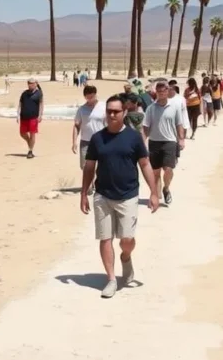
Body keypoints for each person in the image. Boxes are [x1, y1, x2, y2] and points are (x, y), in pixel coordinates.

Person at [79, 95, 160, 298]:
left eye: (116, 111)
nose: (112, 114)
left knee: (126, 239)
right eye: (109, 111)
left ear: (124, 113)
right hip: (102, 195)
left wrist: (153, 192)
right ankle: (111, 279)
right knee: (105, 238)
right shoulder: (98, 138)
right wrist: (83, 193)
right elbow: (89, 167)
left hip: (128, 195)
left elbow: (144, 164)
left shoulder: (133, 137)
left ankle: (126, 257)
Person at [142, 79, 186, 206]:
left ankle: (166, 188)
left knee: (168, 169)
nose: (161, 93)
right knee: (155, 172)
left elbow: (179, 124)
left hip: (170, 141)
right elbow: (145, 127)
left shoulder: (175, 107)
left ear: (167, 91)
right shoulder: (151, 108)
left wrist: (181, 139)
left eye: (164, 91)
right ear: (156, 92)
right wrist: (142, 141)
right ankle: (156, 194)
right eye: (159, 91)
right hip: (154, 142)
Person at [72, 85, 106, 181]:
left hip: (101, 140)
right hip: (85, 141)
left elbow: (108, 124)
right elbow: (76, 126)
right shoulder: (81, 109)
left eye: (91, 96)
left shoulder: (103, 107)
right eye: (87, 97)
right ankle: (90, 184)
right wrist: (74, 141)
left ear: (95, 95)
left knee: (101, 164)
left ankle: (96, 183)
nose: (90, 99)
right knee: (84, 165)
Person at [17, 77, 44, 159]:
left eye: (32, 83)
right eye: (29, 83)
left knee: (32, 134)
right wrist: (18, 115)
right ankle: (29, 142)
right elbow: (20, 105)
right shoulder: (24, 93)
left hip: (33, 117)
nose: (30, 85)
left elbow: (41, 105)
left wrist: (40, 115)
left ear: (36, 84)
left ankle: (30, 151)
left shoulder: (39, 93)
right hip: (23, 117)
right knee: (22, 133)